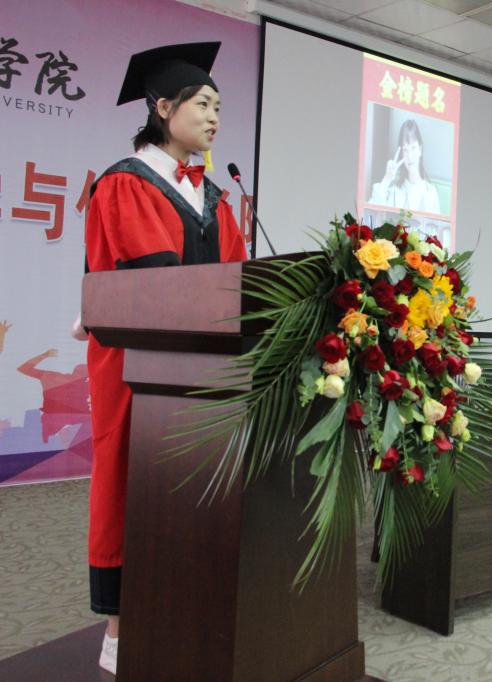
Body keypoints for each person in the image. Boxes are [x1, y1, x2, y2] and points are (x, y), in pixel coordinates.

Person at [84, 42, 247, 675]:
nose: (213, 118)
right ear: (162, 108)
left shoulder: (216, 198)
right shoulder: (127, 183)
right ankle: (120, 630)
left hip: (201, 372)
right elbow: (159, 284)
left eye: (219, 108)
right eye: (202, 104)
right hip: (137, 369)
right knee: (132, 480)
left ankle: (184, 608)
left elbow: (239, 284)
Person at [369, 119, 441, 214]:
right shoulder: (395, 191)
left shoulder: (431, 192)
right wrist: (387, 179)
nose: (409, 156)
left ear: (420, 149)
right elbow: (371, 211)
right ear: (401, 154)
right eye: (405, 150)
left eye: (413, 148)